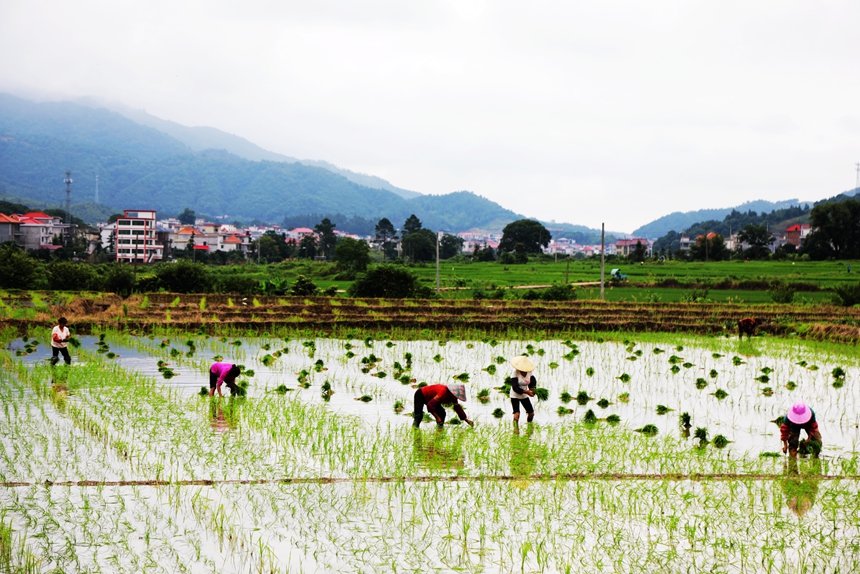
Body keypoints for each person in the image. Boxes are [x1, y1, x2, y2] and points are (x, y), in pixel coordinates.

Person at [508, 355, 537, 423]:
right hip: (514, 395)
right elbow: (515, 387)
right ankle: (515, 430)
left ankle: (529, 426)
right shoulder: (515, 373)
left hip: (524, 396)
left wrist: (533, 390)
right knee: (517, 414)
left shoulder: (530, 373)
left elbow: (532, 383)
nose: (523, 371)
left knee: (531, 414)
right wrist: (526, 391)